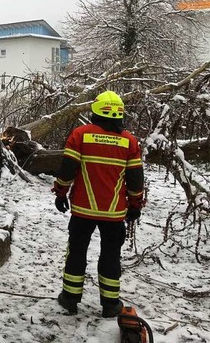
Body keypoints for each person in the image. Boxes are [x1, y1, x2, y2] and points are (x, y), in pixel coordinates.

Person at [52, 91, 145, 318]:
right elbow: (135, 179)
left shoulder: (81, 135)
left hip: (83, 210)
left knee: (76, 252)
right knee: (111, 255)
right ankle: (111, 304)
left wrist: (61, 193)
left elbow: (67, 169)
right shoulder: (129, 141)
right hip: (114, 214)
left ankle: (70, 299)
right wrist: (135, 205)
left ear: (95, 111)